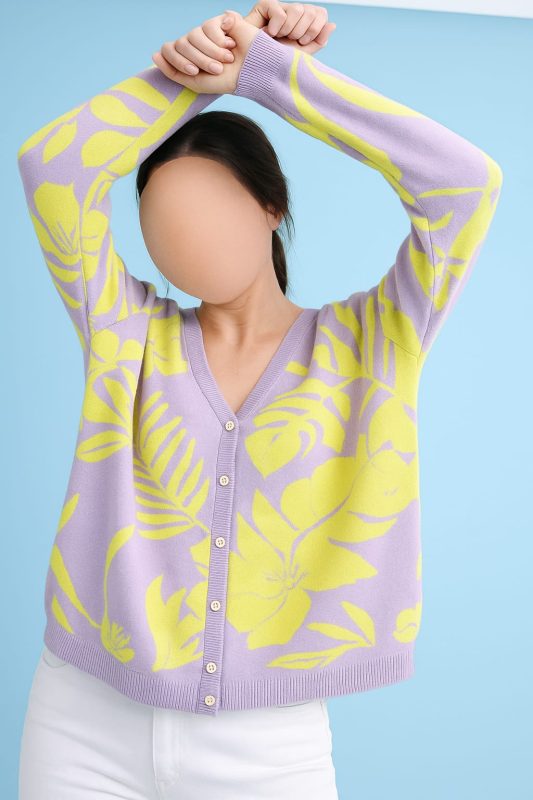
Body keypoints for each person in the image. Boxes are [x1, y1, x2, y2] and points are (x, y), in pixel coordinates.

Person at [16, 2, 502, 799]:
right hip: (81, 718)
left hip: (267, 741)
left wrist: (273, 77)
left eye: (209, 212)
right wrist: (187, 79)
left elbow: (465, 185)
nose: (185, 243)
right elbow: (50, 169)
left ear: (271, 206)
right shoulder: (126, 335)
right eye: (161, 226)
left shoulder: (376, 339)